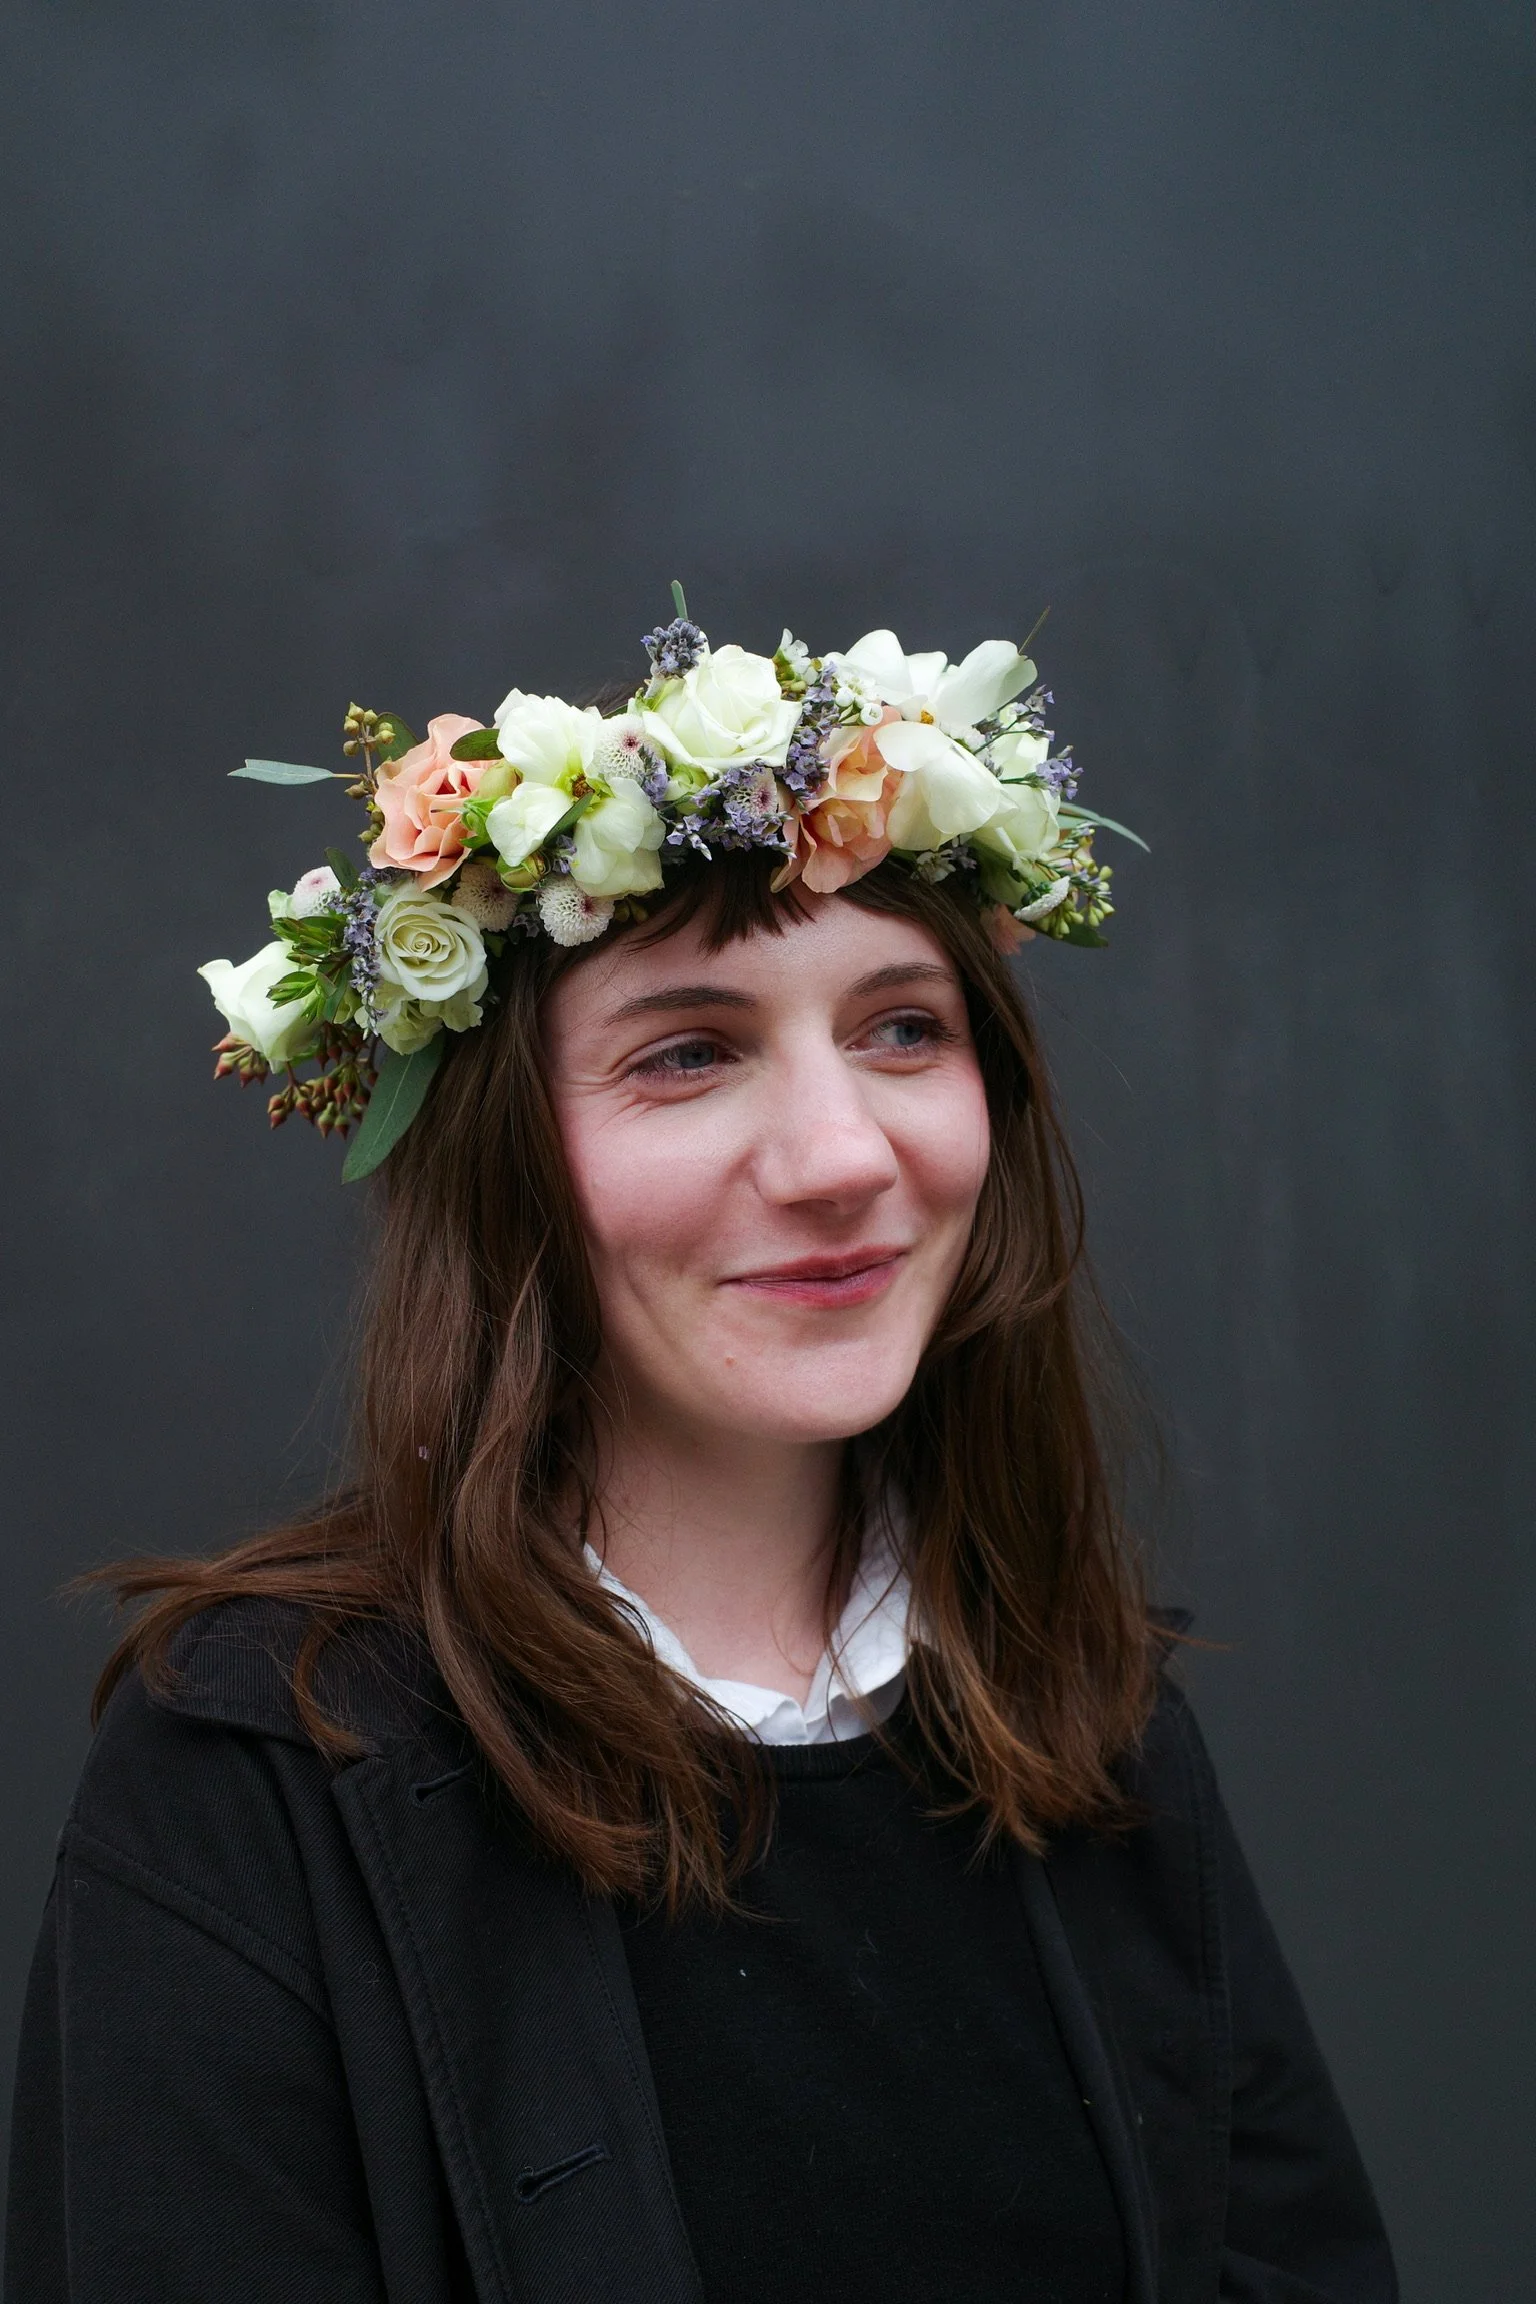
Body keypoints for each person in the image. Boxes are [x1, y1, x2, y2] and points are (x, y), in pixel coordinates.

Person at [5, 610, 1396, 2302]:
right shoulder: (257, 1780)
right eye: (688, 1053)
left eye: (902, 1029)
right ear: (504, 1161)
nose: (837, 1156)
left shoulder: (1091, 1725)